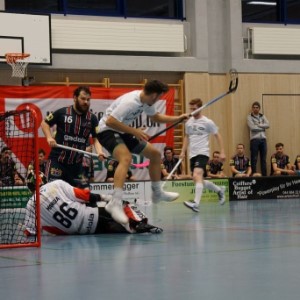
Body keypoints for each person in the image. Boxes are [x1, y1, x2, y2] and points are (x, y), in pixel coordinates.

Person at [97, 80, 188, 224]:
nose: (158, 100)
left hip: (122, 130)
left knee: (155, 154)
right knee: (125, 158)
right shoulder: (130, 102)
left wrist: (178, 118)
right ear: (154, 95)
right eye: (159, 97)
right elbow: (110, 121)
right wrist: (134, 131)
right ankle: (115, 202)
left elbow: (156, 117)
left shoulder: (146, 102)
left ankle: (157, 192)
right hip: (106, 131)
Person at [24, 172, 162, 236]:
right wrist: (105, 197)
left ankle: (127, 225)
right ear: (43, 179)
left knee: (114, 227)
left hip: (78, 233)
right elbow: (83, 196)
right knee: (121, 204)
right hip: (91, 216)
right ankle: (139, 223)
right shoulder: (56, 184)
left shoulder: (30, 205)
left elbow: (30, 232)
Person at [40, 86, 105, 188]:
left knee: (83, 194)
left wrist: (100, 151)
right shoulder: (62, 112)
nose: (86, 102)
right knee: (53, 191)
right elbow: (44, 123)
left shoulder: (92, 119)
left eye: (88, 100)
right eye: (83, 99)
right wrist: (49, 137)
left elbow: (96, 139)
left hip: (77, 166)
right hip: (57, 162)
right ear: (75, 98)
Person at [179, 98, 226, 212]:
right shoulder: (189, 122)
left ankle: (196, 203)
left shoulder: (207, 122)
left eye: (194, 109)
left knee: (197, 175)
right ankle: (219, 190)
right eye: (191, 108)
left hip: (203, 152)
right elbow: (187, 137)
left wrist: (222, 151)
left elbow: (217, 135)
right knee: (198, 179)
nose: (192, 111)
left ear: (200, 108)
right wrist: (182, 151)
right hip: (192, 154)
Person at [247, 101, 269, 176]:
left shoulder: (262, 116)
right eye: (254, 107)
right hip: (254, 140)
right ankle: (254, 174)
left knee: (263, 159)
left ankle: (264, 176)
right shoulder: (249, 117)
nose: (255, 109)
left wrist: (259, 125)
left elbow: (268, 125)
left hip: (263, 140)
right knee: (254, 159)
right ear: (252, 108)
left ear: (259, 108)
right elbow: (252, 128)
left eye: (257, 107)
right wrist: (263, 127)